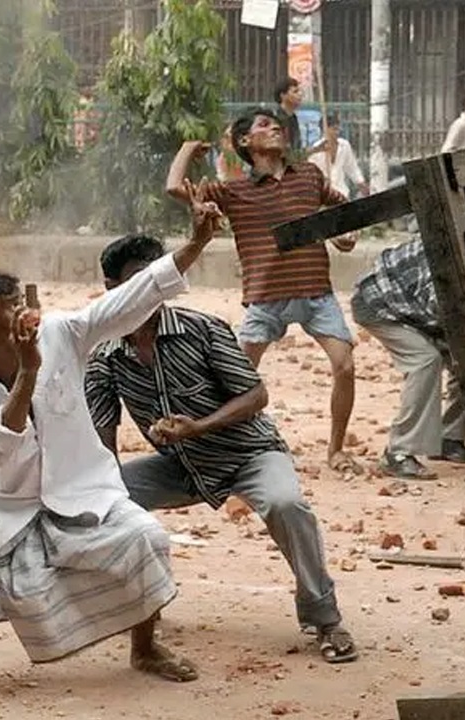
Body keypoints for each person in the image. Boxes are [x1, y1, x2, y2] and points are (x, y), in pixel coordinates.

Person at [0, 181, 223, 695]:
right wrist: (28, 374)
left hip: (82, 492)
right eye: (12, 306)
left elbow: (131, 297)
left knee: (146, 538)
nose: (27, 311)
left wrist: (196, 244)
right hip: (0, 504)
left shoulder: (62, 332)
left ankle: (145, 646)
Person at [85, 234, 359, 664]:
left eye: (155, 279)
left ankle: (325, 619)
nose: (148, 291)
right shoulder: (104, 357)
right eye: (138, 280)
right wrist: (107, 491)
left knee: (287, 505)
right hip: (181, 466)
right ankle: (140, 608)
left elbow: (256, 395)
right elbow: (104, 437)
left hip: (249, 454)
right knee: (97, 504)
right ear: (111, 287)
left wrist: (198, 427)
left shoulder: (202, 329)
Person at [166, 111, 362, 474]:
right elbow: (175, 188)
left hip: (316, 292)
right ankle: (213, 443)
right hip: (265, 298)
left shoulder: (309, 175)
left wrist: (344, 234)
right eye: (263, 125)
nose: (274, 127)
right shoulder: (234, 191)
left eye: (275, 124)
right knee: (236, 379)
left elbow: (344, 209)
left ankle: (336, 450)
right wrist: (187, 149)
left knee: (345, 365)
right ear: (244, 142)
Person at [351, 238, 465, 479]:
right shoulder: (449, 257)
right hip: (378, 302)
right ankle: (398, 453)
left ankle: (450, 438)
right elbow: (440, 309)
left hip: (411, 305)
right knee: (425, 360)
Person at [308, 115, 367, 199]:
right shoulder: (316, 150)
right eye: (334, 129)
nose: (337, 132)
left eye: (338, 129)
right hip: (324, 196)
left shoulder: (344, 145)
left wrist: (361, 183)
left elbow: (351, 167)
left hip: (342, 192)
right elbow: (312, 174)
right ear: (325, 129)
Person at [273, 77, 304, 154]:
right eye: (295, 92)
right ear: (283, 95)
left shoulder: (293, 117)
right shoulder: (277, 119)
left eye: (300, 91)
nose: (300, 94)